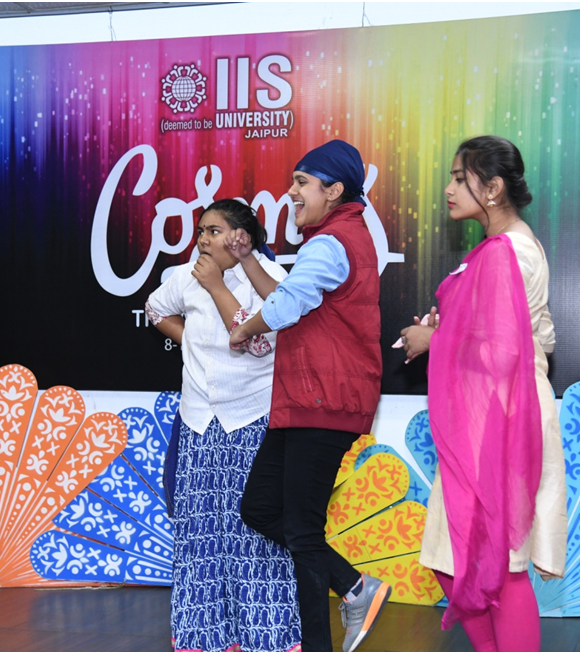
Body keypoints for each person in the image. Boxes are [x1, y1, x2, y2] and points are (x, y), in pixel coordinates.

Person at [400, 135, 567, 652]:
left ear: (492, 188)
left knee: (499, 564)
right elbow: (540, 337)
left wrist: (433, 340)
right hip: (495, 416)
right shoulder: (511, 245)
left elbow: (502, 351)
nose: (448, 189)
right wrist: (452, 327)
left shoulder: (506, 251)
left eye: (459, 178)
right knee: (453, 559)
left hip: (500, 421)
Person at [229, 140, 391, 653]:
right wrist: (247, 259)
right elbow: (288, 296)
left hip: (322, 401)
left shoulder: (332, 242)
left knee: (301, 531)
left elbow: (285, 305)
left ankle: (324, 635)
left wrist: (243, 330)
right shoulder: (336, 238)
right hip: (306, 402)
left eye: (302, 182)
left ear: (334, 189)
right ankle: (356, 586)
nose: (291, 192)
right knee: (259, 508)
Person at [145, 199, 301, 652]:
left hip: (251, 420)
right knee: (200, 536)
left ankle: (266, 637)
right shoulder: (185, 276)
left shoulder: (269, 279)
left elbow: (257, 345)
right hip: (198, 422)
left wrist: (215, 286)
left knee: (251, 535)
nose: (204, 240)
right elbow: (155, 308)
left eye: (215, 231)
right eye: (201, 231)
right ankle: (206, 637)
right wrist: (188, 340)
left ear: (242, 237)